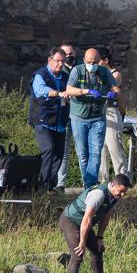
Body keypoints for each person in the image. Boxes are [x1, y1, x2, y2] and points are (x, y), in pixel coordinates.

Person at [60, 173, 132, 273]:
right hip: (71, 221)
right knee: (77, 254)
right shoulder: (98, 195)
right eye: (121, 191)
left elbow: (106, 217)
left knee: (97, 249)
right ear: (113, 185)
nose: (122, 195)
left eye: (125, 192)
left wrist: (100, 237)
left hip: (83, 223)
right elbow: (87, 220)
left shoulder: (114, 196)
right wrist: (82, 242)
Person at [65, 48, 121, 189]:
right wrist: (86, 91)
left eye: (95, 62)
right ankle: (87, 184)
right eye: (89, 62)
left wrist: (113, 93)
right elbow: (69, 90)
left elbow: (116, 88)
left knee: (96, 153)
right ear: (84, 61)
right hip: (79, 117)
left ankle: (90, 185)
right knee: (83, 154)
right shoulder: (77, 71)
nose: (92, 65)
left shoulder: (104, 72)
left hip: (98, 117)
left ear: (99, 62)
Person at [28, 47, 70, 191]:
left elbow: (71, 91)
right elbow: (41, 91)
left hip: (60, 122)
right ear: (50, 60)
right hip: (43, 121)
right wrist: (59, 93)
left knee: (59, 154)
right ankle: (41, 184)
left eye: (63, 62)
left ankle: (49, 186)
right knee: (49, 150)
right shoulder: (41, 75)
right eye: (58, 61)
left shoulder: (65, 77)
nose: (60, 64)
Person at [97, 46, 127, 183]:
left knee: (115, 147)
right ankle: (103, 182)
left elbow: (112, 87)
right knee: (101, 150)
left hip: (111, 112)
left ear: (105, 60)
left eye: (98, 61)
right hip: (99, 113)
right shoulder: (97, 74)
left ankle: (122, 178)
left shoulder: (115, 74)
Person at [55, 40, 79, 192]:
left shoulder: (81, 69)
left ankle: (89, 184)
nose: (68, 56)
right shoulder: (57, 72)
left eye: (71, 53)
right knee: (63, 152)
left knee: (83, 150)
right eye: (65, 54)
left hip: (79, 115)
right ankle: (60, 184)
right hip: (64, 116)